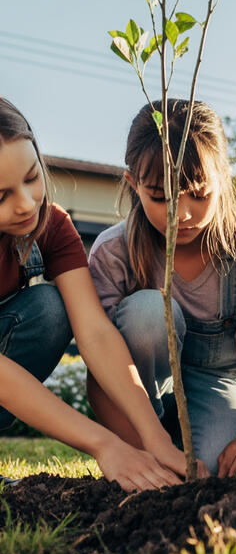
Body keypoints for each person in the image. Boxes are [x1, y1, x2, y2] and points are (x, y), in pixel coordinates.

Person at [88, 99, 236, 477]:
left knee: (222, 468)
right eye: (160, 197)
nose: (183, 214)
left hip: (219, 381)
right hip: (138, 395)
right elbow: (101, 382)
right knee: (148, 314)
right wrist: (143, 452)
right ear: (133, 184)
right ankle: (160, 435)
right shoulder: (113, 253)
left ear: (223, 177)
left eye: (200, 193)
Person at [0, 96, 188, 492]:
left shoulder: (50, 225)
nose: (26, 204)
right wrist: (105, 444)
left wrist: (153, 438)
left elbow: (95, 332)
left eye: (32, 177)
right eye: (1, 196)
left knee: (51, 310)